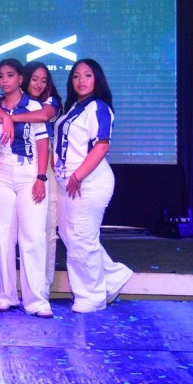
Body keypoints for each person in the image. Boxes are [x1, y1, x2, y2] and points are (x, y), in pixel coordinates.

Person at [54, 59, 133, 312]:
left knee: (81, 238)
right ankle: (113, 277)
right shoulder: (73, 108)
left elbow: (101, 145)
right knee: (72, 235)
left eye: (87, 75)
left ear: (97, 79)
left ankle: (92, 297)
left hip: (88, 181)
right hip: (68, 182)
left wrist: (78, 176)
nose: (81, 81)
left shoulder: (98, 107)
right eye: (76, 76)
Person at [0, 62, 63, 296]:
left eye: (10, 75)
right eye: (1, 76)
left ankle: (36, 298)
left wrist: (40, 177)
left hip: (31, 171)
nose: (5, 80)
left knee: (34, 235)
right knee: (2, 234)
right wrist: (2, 117)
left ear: (20, 78)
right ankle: (6, 295)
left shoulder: (36, 106)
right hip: (1, 172)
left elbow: (43, 144)